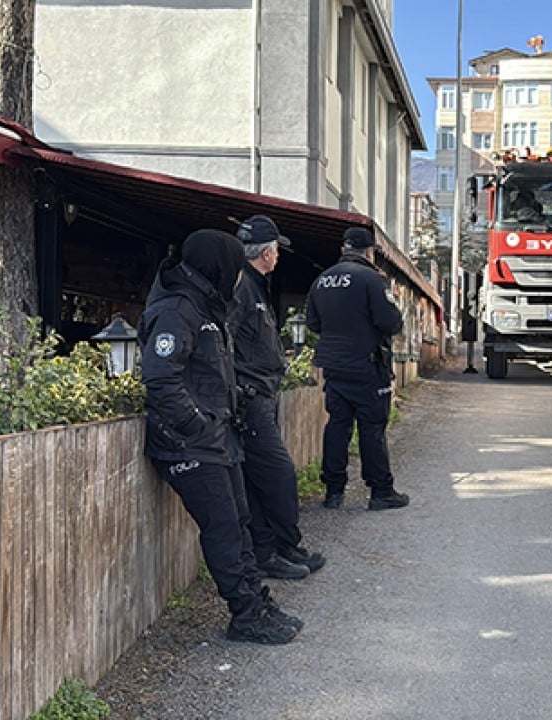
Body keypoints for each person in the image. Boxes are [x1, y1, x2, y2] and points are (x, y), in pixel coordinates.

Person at [139, 228, 302, 644]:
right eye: (233, 266)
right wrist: (196, 424)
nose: (238, 276)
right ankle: (245, 615)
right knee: (225, 529)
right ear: (219, 266)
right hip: (188, 444)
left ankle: (256, 603)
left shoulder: (204, 306)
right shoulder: (177, 310)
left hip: (217, 439)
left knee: (240, 524)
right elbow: (161, 379)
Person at [233, 215, 327, 580]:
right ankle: (277, 548)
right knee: (278, 474)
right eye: (276, 251)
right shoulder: (241, 287)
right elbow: (225, 341)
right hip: (250, 396)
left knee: (260, 478)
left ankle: (274, 550)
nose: (278, 257)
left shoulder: (254, 285)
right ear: (267, 252)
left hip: (263, 393)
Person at [305, 226, 409, 511]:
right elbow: (390, 323)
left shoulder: (322, 280)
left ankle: (333, 492)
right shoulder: (372, 280)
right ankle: (380, 492)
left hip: (334, 366)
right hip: (368, 365)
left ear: (343, 250)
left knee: (337, 426)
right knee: (372, 428)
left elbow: (313, 324)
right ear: (369, 252)